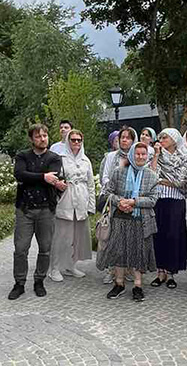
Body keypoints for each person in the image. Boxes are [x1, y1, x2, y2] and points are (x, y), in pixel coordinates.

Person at [96, 143, 159, 302]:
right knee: (119, 252)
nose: (140, 157)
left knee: (139, 253)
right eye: (137, 154)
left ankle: (138, 286)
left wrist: (133, 202)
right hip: (120, 219)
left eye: (143, 154)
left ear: (147, 156)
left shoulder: (152, 175)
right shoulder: (118, 172)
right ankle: (119, 284)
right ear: (131, 155)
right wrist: (120, 202)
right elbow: (108, 193)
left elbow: (153, 199)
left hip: (141, 220)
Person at [9, 124, 65, 300]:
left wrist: (36, 178)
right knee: (20, 249)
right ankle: (19, 283)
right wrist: (43, 177)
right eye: (39, 136)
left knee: (45, 248)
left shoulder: (54, 158)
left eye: (45, 135)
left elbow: (54, 177)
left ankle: (39, 280)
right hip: (25, 209)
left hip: (46, 210)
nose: (43, 139)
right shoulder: (22, 156)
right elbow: (19, 174)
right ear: (32, 139)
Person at [49, 129, 93, 282]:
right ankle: (54, 268)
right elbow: (53, 178)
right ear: (68, 141)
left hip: (81, 199)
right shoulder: (60, 159)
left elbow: (91, 184)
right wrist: (57, 184)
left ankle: (70, 265)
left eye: (78, 140)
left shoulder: (86, 160)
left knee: (76, 237)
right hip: (65, 199)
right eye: (73, 140)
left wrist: (90, 206)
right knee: (61, 237)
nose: (76, 143)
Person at [149, 129, 187, 288]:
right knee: (158, 235)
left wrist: (163, 180)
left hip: (176, 200)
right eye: (160, 137)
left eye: (165, 137)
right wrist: (157, 155)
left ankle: (171, 273)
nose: (161, 139)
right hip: (158, 199)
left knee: (173, 236)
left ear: (174, 139)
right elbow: (152, 176)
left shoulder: (183, 158)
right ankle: (160, 272)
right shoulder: (156, 156)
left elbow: (180, 181)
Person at [98, 126, 137, 285]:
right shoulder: (111, 156)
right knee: (112, 237)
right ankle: (110, 270)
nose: (125, 140)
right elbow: (105, 178)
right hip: (114, 202)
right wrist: (117, 198)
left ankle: (127, 269)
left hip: (131, 203)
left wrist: (130, 200)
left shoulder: (138, 155)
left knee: (129, 237)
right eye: (122, 137)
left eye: (128, 137)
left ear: (133, 141)